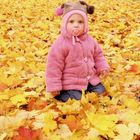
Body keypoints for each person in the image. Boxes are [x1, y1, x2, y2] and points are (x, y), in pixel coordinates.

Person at [45, 0, 110, 102]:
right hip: (70, 83)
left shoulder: (90, 40)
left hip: (90, 80)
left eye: (80, 22)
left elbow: (98, 55)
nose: (76, 25)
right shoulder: (61, 43)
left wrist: (102, 67)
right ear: (65, 23)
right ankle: (62, 95)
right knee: (77, 99)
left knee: (101, 91)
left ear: (85, 24)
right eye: (71, 22)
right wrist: (54, 86)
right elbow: (54, 66)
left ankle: (87, 93)